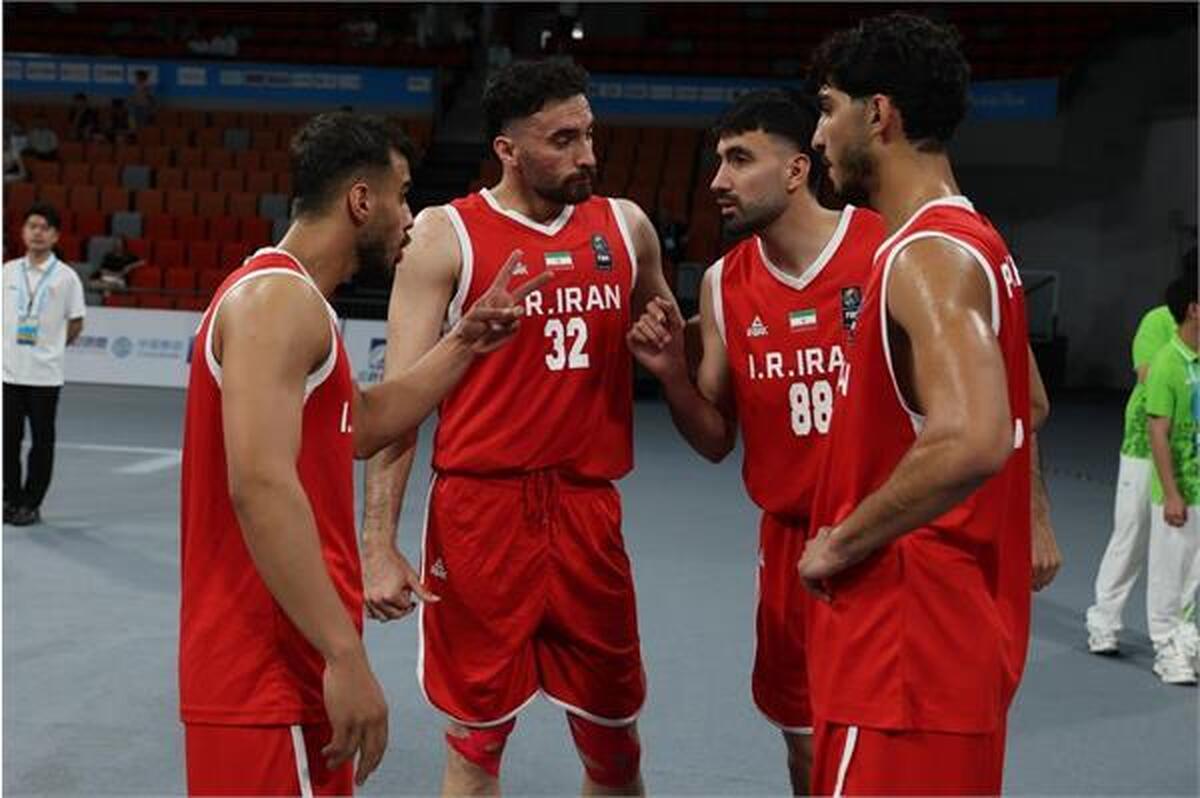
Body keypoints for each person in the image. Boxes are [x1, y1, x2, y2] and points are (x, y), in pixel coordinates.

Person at [178, 112, 549, 796]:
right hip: (264, 670)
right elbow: (260, 486)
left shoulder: (296, 301)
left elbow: (365, 422)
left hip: (287, 663)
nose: (410, 217)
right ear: (360, 199)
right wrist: (344, 655)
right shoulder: (277, 302)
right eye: (402, 195)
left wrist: (466, 341)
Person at [360, 58, 674, 795]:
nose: (586, 154)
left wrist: (674, 360)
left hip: (589, 516)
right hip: (481, 517)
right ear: (507, 149)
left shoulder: (626, 227)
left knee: (616, 744)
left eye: (589, 134)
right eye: (562, 140)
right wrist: (377, 544)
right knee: (475, 745)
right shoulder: (445, 236)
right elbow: (400, 403)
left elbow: (676, 346)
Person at [797, 13, 1039, 793]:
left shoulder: (926, 257)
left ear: (879, 114)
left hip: (904, 653)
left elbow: (973, 436)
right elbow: (1028, 401)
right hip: (949, 645)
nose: (818, 135)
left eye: (828, 108)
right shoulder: (977, 243)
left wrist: (840, 542)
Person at [627, 88, 884, 795]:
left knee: (889, 749)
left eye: (740, 160)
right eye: (718, 161)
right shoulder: (722, 283)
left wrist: (1033, 515)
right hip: (790, 548)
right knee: (805, 749)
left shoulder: (884, 248)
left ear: (798, 169)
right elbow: (716, 439)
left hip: (886, 537)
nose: (718, 180)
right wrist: (672, 375)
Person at [1086, 254, 1194, 655]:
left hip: (1188, 453)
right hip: (1144, 445)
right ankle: (1104, 621)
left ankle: (1176, 632)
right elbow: (1150, 376)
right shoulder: (1157, 322)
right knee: (1132, 533)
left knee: (1182, 548)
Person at [3, 203, 86, 527]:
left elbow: (76, 322)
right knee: (7, 442)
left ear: (55, 236)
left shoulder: (66, 278)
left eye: (44, 227)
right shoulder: (8, 272)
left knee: (41, 442)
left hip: (45, 376)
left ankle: (31, 503)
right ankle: (9, 499)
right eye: (32, 226)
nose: (37, 232)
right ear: (23, 232)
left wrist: (51, 348)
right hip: (8, 373)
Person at [1144, 273, 1200, 684]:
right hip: (1178, 490)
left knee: (1194, 576)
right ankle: (1165, 647)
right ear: (1194, 309)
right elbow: (1158, 432)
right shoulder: (1167, 362)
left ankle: (1186, 640)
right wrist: (1171, 493)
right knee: (1169, 573)